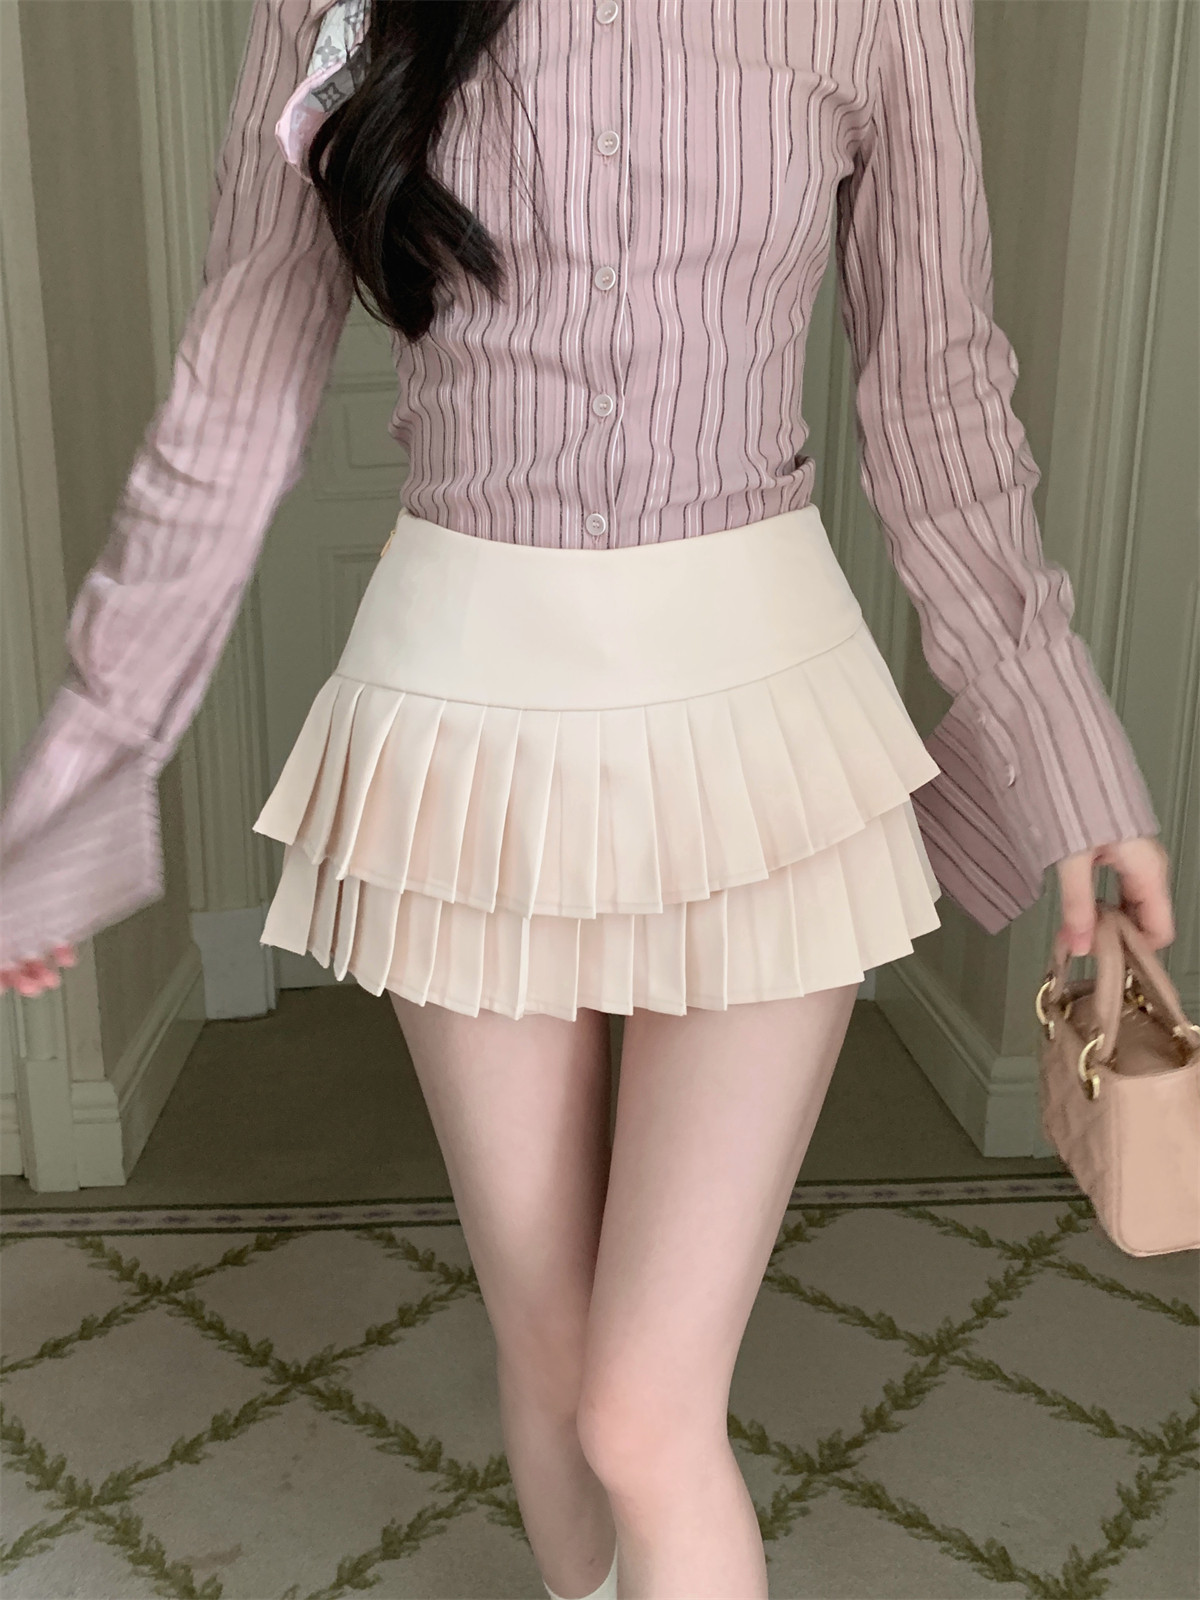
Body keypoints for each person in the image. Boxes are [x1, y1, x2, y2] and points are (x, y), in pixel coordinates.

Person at [0, 1, 1174, 1595]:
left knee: (641, 1409)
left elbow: (939, 399)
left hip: (767, 733)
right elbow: (237, 388)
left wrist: (1064, 747)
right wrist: (90, 761)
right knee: (553, 1368)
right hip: (455, 736)